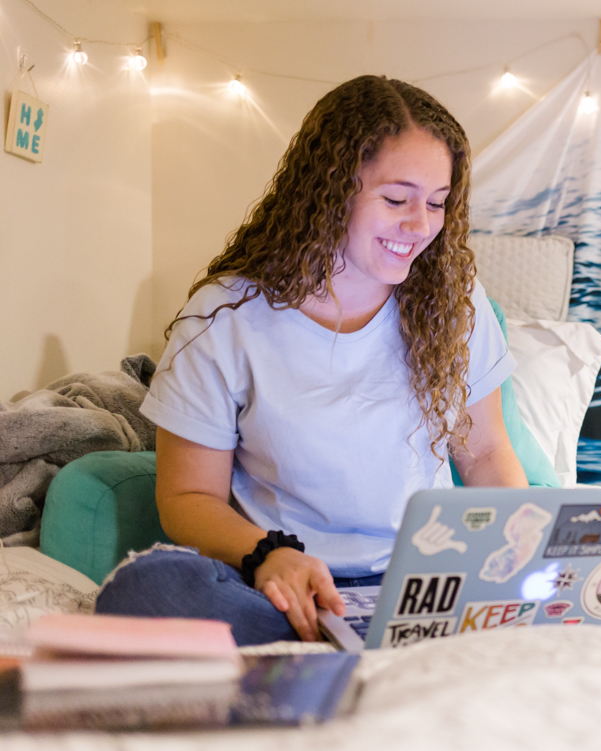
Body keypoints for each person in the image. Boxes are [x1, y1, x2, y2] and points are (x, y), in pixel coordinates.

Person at [94, 76, 530, 645]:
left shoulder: (453, 299)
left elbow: (488, 453)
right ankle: (346, 650)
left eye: (437, 203)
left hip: (427, 585)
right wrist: (269, 557)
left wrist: (522, 549)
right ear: (329, 190)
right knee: (145, 588)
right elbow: (187, 496)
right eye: (396, 199)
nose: (421, 225)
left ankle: (352, 653)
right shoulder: (227, 313)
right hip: (284, 589)